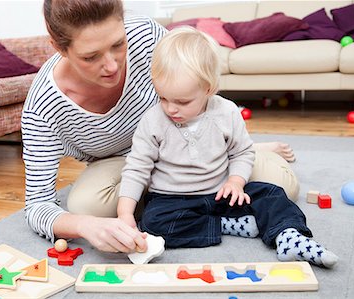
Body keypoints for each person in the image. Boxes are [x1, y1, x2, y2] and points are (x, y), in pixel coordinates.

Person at [22, 0, 298, 254]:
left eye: (118, 44)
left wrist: (233, 170)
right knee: (85, 206)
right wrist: (85, 226)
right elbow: (37, 204)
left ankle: (236, 150)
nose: (111, 65)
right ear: (59, 48)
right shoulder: (43, 106)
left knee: (282, 185)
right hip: (122, 162)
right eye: (91, 57)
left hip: (179, 135)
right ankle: (178, 196)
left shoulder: (144, 34)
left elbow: (196, 81)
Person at [117, 27, 338, 268]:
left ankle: (289, 237)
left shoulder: (227, 112)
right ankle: (227, 225)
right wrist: (125, 214)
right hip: (172, 200)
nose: (170, 109)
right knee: (152, 222)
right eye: (162, 98)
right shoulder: (152, 121)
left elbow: (242, 152)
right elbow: (137, 167)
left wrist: (236, 181)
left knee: (272, 194)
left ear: (209, 89)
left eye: (182, 101)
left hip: (222, 192)